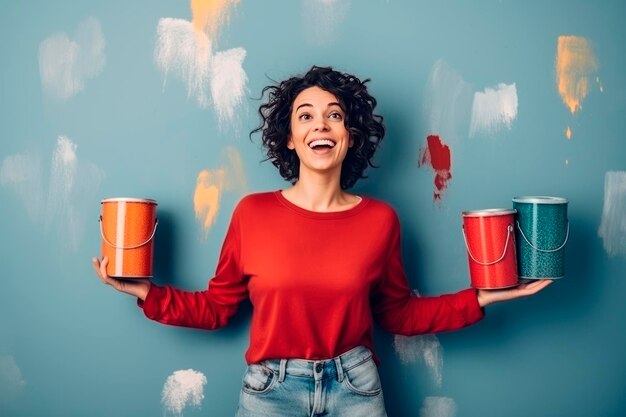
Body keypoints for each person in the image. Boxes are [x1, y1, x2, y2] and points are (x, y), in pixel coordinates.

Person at [93, 65, 552, 416]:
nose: (321, 125)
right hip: (271, 391)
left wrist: (483, 297)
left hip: (357, 387)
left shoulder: (380, 220)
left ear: (350, 138)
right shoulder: (252, 213)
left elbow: (397, 313)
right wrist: (147, 294)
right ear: (290, 138)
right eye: (306, 115)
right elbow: (218, 309)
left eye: (335, 116)